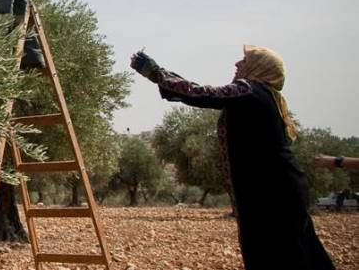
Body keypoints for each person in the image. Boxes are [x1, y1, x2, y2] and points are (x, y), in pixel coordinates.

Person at [130, 45, 335, 269]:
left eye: (244, 61)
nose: (237, 64)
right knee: (296, 254)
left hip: (272, 192)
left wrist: (155, 72)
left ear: (259, 67)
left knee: (277, 255)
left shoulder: (250, 90)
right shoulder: (263, 95)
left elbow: (199, 93)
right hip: (278, 189)